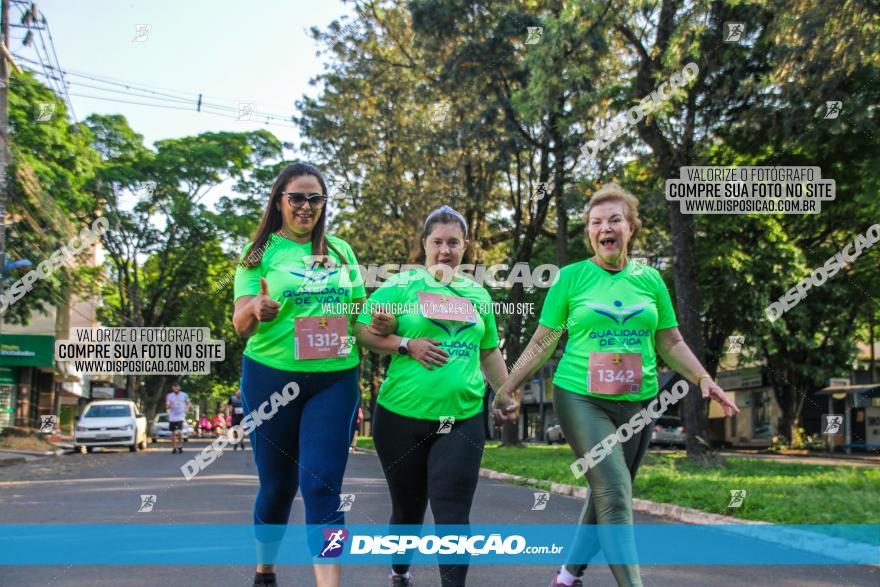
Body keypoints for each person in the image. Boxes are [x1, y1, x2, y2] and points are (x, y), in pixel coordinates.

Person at [492, 183, 740, 587]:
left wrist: (703, 378)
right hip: (581, 397)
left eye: (614, 220)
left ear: (630, 228)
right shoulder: (571, 278)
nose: (605, 227)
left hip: (640, 403)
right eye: (595, 222)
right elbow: (543, 340)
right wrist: (507, 386)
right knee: (614, 492)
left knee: (607, 493)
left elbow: (670, 340)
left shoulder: (651, 280)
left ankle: (567, 576)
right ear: (589, 233)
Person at [233, 162, 381, 587]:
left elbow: (359, 316)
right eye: (296, 197)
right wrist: (255, 311)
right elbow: (239, 324)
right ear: (279, 200)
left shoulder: (340, 252)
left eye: (315, 198)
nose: (305, 206)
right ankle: (265, 571)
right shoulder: (258, 254)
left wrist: (384, 328)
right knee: (277, 488)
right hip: (270, 376)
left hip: (334, 378)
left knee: (321, 484)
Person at [355, 205, 508, 587]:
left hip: (462, 416)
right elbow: (361, 331)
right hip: (400, 418)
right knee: (408, 509)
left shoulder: (478, 294)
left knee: (452, 508)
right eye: (437, 242)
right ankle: (400, 571)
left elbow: (488, 351)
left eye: (453, 242)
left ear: (465, 246)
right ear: (424, 245)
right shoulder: (400, 286)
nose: (445, 250)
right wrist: (407, 343)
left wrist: (506, 393)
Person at [164, 382, 189, 454]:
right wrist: (169, 406)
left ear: (179, 388)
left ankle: (180, 446)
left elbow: (187, 403)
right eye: (174, 387)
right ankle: (174, 448)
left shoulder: (184, 395)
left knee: (179, 432)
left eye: (177, 387)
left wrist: (186, 409)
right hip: (172, 416)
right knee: (173, 433)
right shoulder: (169, 396)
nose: (175, 388)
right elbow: (167, 405)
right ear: (172, 388)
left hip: (180, 416)